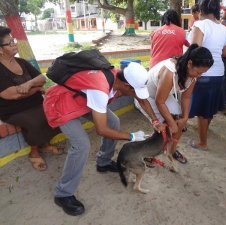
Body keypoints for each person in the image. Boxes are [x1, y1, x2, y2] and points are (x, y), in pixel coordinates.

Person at [43, 62, 164, 215]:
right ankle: (63, 193)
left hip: (82, 101)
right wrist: (132, 136)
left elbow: (141, 98)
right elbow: (102, 130)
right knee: (81, 146)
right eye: (134, 91)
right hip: (61, 105)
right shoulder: (100, 88)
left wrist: (154, 120)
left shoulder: (121, 76)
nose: (136, 94)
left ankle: (104, 162)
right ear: (127, 86)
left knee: (114, 121)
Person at [136, 44, 214, 165]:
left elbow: (186, 97)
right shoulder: (169, 71)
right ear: (189, 63)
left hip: (163, 96)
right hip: (146, 97)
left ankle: (171, 151)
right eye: (198, 72)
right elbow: (159, 101)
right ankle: (149, 153)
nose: (199, 76)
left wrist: (185, 117)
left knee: (179, 120)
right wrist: (171, 123)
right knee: (164, 125)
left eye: (202, 73)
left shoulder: (193, 74)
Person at [0, 26, 62, 171]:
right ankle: (34, 152)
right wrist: (37, 88)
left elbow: (41, 78)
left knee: (53, 113)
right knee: (34, 122)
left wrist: (29, 84)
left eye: (13, 40)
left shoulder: (21, 62)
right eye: (9, 43)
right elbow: (12, 95)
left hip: (34, 102)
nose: (14, 44)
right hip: (12, 109)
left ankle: (45, 145)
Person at [187, 0, 226, 150]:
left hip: (203, 72)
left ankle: (202, 143)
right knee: (209, 106)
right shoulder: (224, 28)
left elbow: (194, 50)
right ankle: (204, 133)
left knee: (201, 111)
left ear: (201, 11)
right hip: (218, 73)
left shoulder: (200, 25)